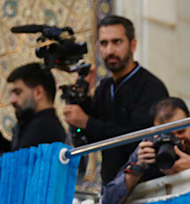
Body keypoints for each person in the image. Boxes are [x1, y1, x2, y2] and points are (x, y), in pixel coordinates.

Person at [61, 15, 169, 183]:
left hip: (145, 186)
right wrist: (83, 97)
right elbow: (90, 138)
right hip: (112, 188)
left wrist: (87, 122)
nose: (110, 50)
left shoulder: (150, 87)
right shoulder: (105, 87)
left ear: (133, 45)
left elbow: (137, 140)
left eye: (116, 42)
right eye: (104, 43)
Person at [0, 63, 67, 155]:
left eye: (18, 92)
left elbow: (19, 160)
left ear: (38, 93)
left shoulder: (44, 128)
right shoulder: (34, 126)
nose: (12, 100)